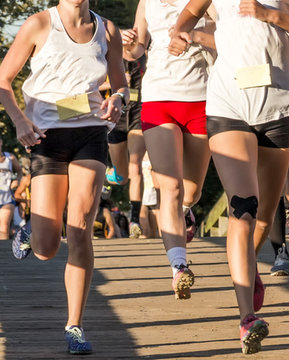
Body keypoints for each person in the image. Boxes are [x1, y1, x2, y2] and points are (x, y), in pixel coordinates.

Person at [170, 0, 289, 354]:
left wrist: (271, 14)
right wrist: (181, 33)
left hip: (280, 106)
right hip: (228, 105)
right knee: (243, 209)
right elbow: (186, 16)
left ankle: (250, 267)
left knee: (263, 216)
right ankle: (247, 319)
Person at [0, 0, 128, 354]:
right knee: (46, 248)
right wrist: (20, 121)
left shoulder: (108, 30)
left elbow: (120, 84)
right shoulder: (39, 24)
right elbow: (3, 80)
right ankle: (32, 231)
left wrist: (118, 99)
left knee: (80, 228)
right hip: (46, 137)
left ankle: (75, 325)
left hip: (90, 133)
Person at [121, 0, 216, 300]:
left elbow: (226, 32)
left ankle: (186, 214)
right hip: (158, 97)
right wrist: (129, 43)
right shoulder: (146, 2)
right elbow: (138, 49)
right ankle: (179, 267)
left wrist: (197, 35)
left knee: (190, 192)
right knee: (169, 188)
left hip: (202, 97)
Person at [105, 56, 148, 239]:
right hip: (116, 116)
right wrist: (117, 87)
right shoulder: (110, 54)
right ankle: (106, 173)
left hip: (139, 114)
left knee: (135, 165)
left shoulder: (145, 55)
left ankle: (134, 220)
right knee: (122, 178)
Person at [0, 140, 22, 240]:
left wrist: (17, 181)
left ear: (1, 142)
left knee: (4, 228)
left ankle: (3, 255)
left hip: (7, 199)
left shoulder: (10, 157)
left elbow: (20, 172)